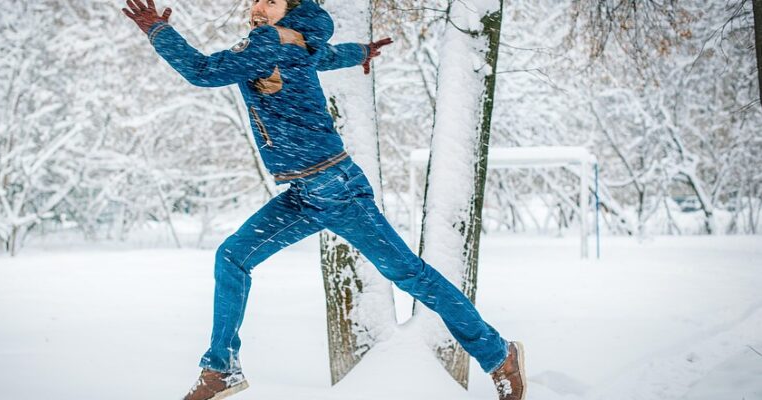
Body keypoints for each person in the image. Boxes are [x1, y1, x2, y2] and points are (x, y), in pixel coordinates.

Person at [122, 0, 526, 399]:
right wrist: (361, 53)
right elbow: (326, 55)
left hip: (336, 190)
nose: (259, 7)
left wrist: (158, 31)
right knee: (232, 256)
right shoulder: (297, 40)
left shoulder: (267, 42)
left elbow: (202, 71)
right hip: (306, 192)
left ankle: (499, 355)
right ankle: (221, 367)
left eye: (271, 0)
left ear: (290, 8)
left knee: (410, 275)